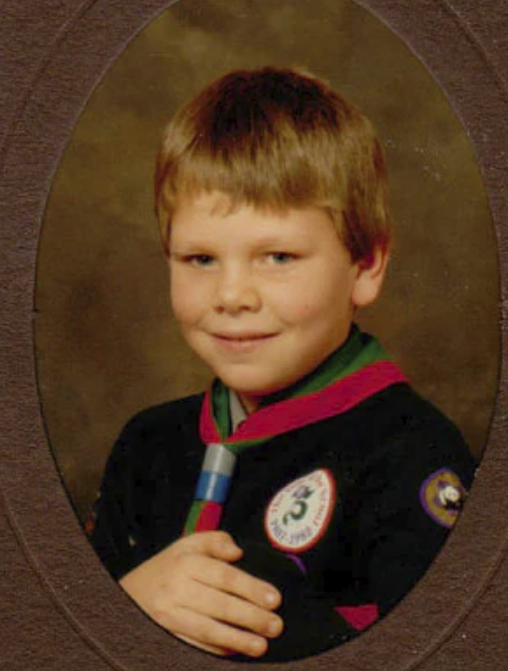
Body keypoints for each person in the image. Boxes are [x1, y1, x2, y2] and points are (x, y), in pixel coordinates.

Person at [88, 66, 476, 662]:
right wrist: (123, 606)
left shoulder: (414, 455)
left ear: (366, 264)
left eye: (277, 256)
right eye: (199, 259)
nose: (232, 295)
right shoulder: (146, 446)